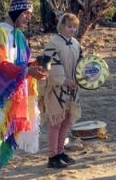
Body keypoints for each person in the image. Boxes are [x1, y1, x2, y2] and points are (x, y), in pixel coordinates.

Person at [0, 0, 48, 179]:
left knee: (4, 136)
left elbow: (23, 61)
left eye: (30, 15)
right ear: (16, 12)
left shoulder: (19, 35)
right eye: (26, 14)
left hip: (14, 94)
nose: (28, 18)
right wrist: (27, 71)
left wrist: (36, 65)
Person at [40, 13, 82, 169]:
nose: (72, 29)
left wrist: (81, 79)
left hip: (73, 88)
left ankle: (60, 152)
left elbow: (81, 63)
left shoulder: (76, 43)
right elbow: (47, 64)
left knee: (66, 121)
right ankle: (52, 157)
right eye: (69, 26)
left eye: (74, 27)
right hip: (57, 88)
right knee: (56, 122)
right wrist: (63, 80)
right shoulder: (53, 42)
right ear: (62, 26)